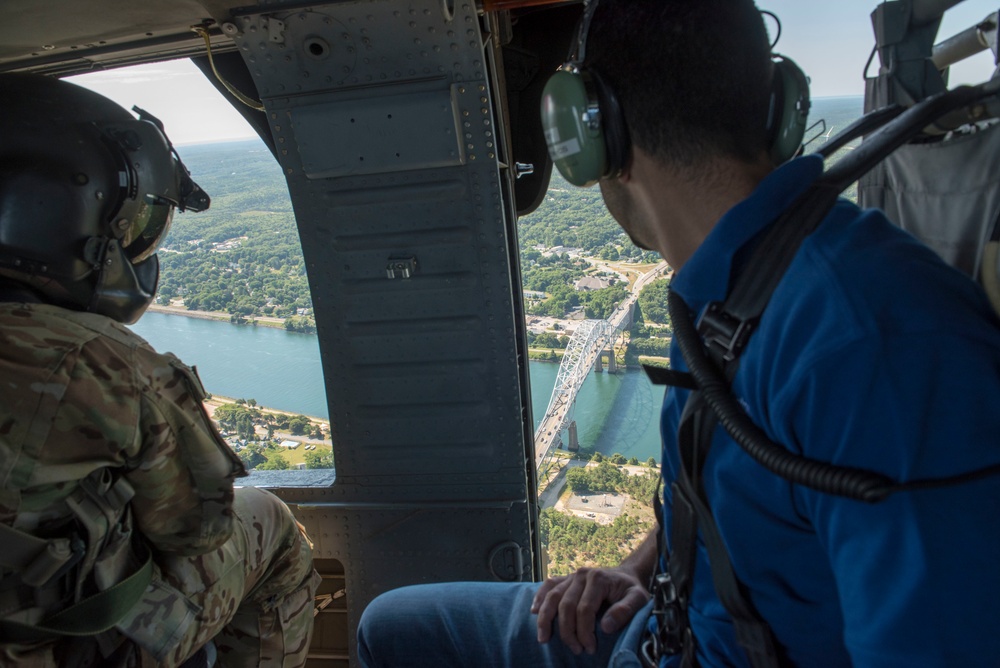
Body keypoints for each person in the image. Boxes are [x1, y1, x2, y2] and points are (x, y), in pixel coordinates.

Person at [357, 0, 1000, 666]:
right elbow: (730, 483)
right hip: (666, 621)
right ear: (780, 109)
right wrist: (641, 569)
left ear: (593, 134)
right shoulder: (733, 275)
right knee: (390, 626)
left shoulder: (876, 348)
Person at [0, 73, 321, 667]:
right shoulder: (102, 359)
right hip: (51, 647)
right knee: (271, 529)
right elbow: (198, 530)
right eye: (134, 225)